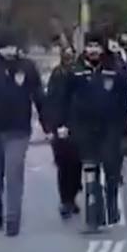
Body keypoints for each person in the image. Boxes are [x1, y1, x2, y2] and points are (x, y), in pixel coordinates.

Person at [51, 31, 127, 232]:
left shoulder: (116, 70)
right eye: (90, 46)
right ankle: (92, 218)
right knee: (90, 171)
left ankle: (111, 210)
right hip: (84, 128)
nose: (93, 50)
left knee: (111, 170)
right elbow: (62, 99)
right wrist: (60, 124)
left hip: (111, 128)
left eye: (97, 46)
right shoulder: (74, 71)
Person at [0, 31, 48, 236]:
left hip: (18, 130)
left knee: (14, 173)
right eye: (6, 47)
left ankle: (12, 220)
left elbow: (39, 96)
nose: (11, 51)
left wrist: (49, 125)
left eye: (13, 47)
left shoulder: (26, 67)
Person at [46, 46, 83, 219]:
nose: (69, 57)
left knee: (76, 165)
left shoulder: (79, 73)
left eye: (71, 53)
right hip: (60, 125)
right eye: (66, 54)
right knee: (64, 164)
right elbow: (53, 101)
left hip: (77, 124)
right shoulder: (57, 74)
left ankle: (72, 196)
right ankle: (65, 200)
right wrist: (55, 125)